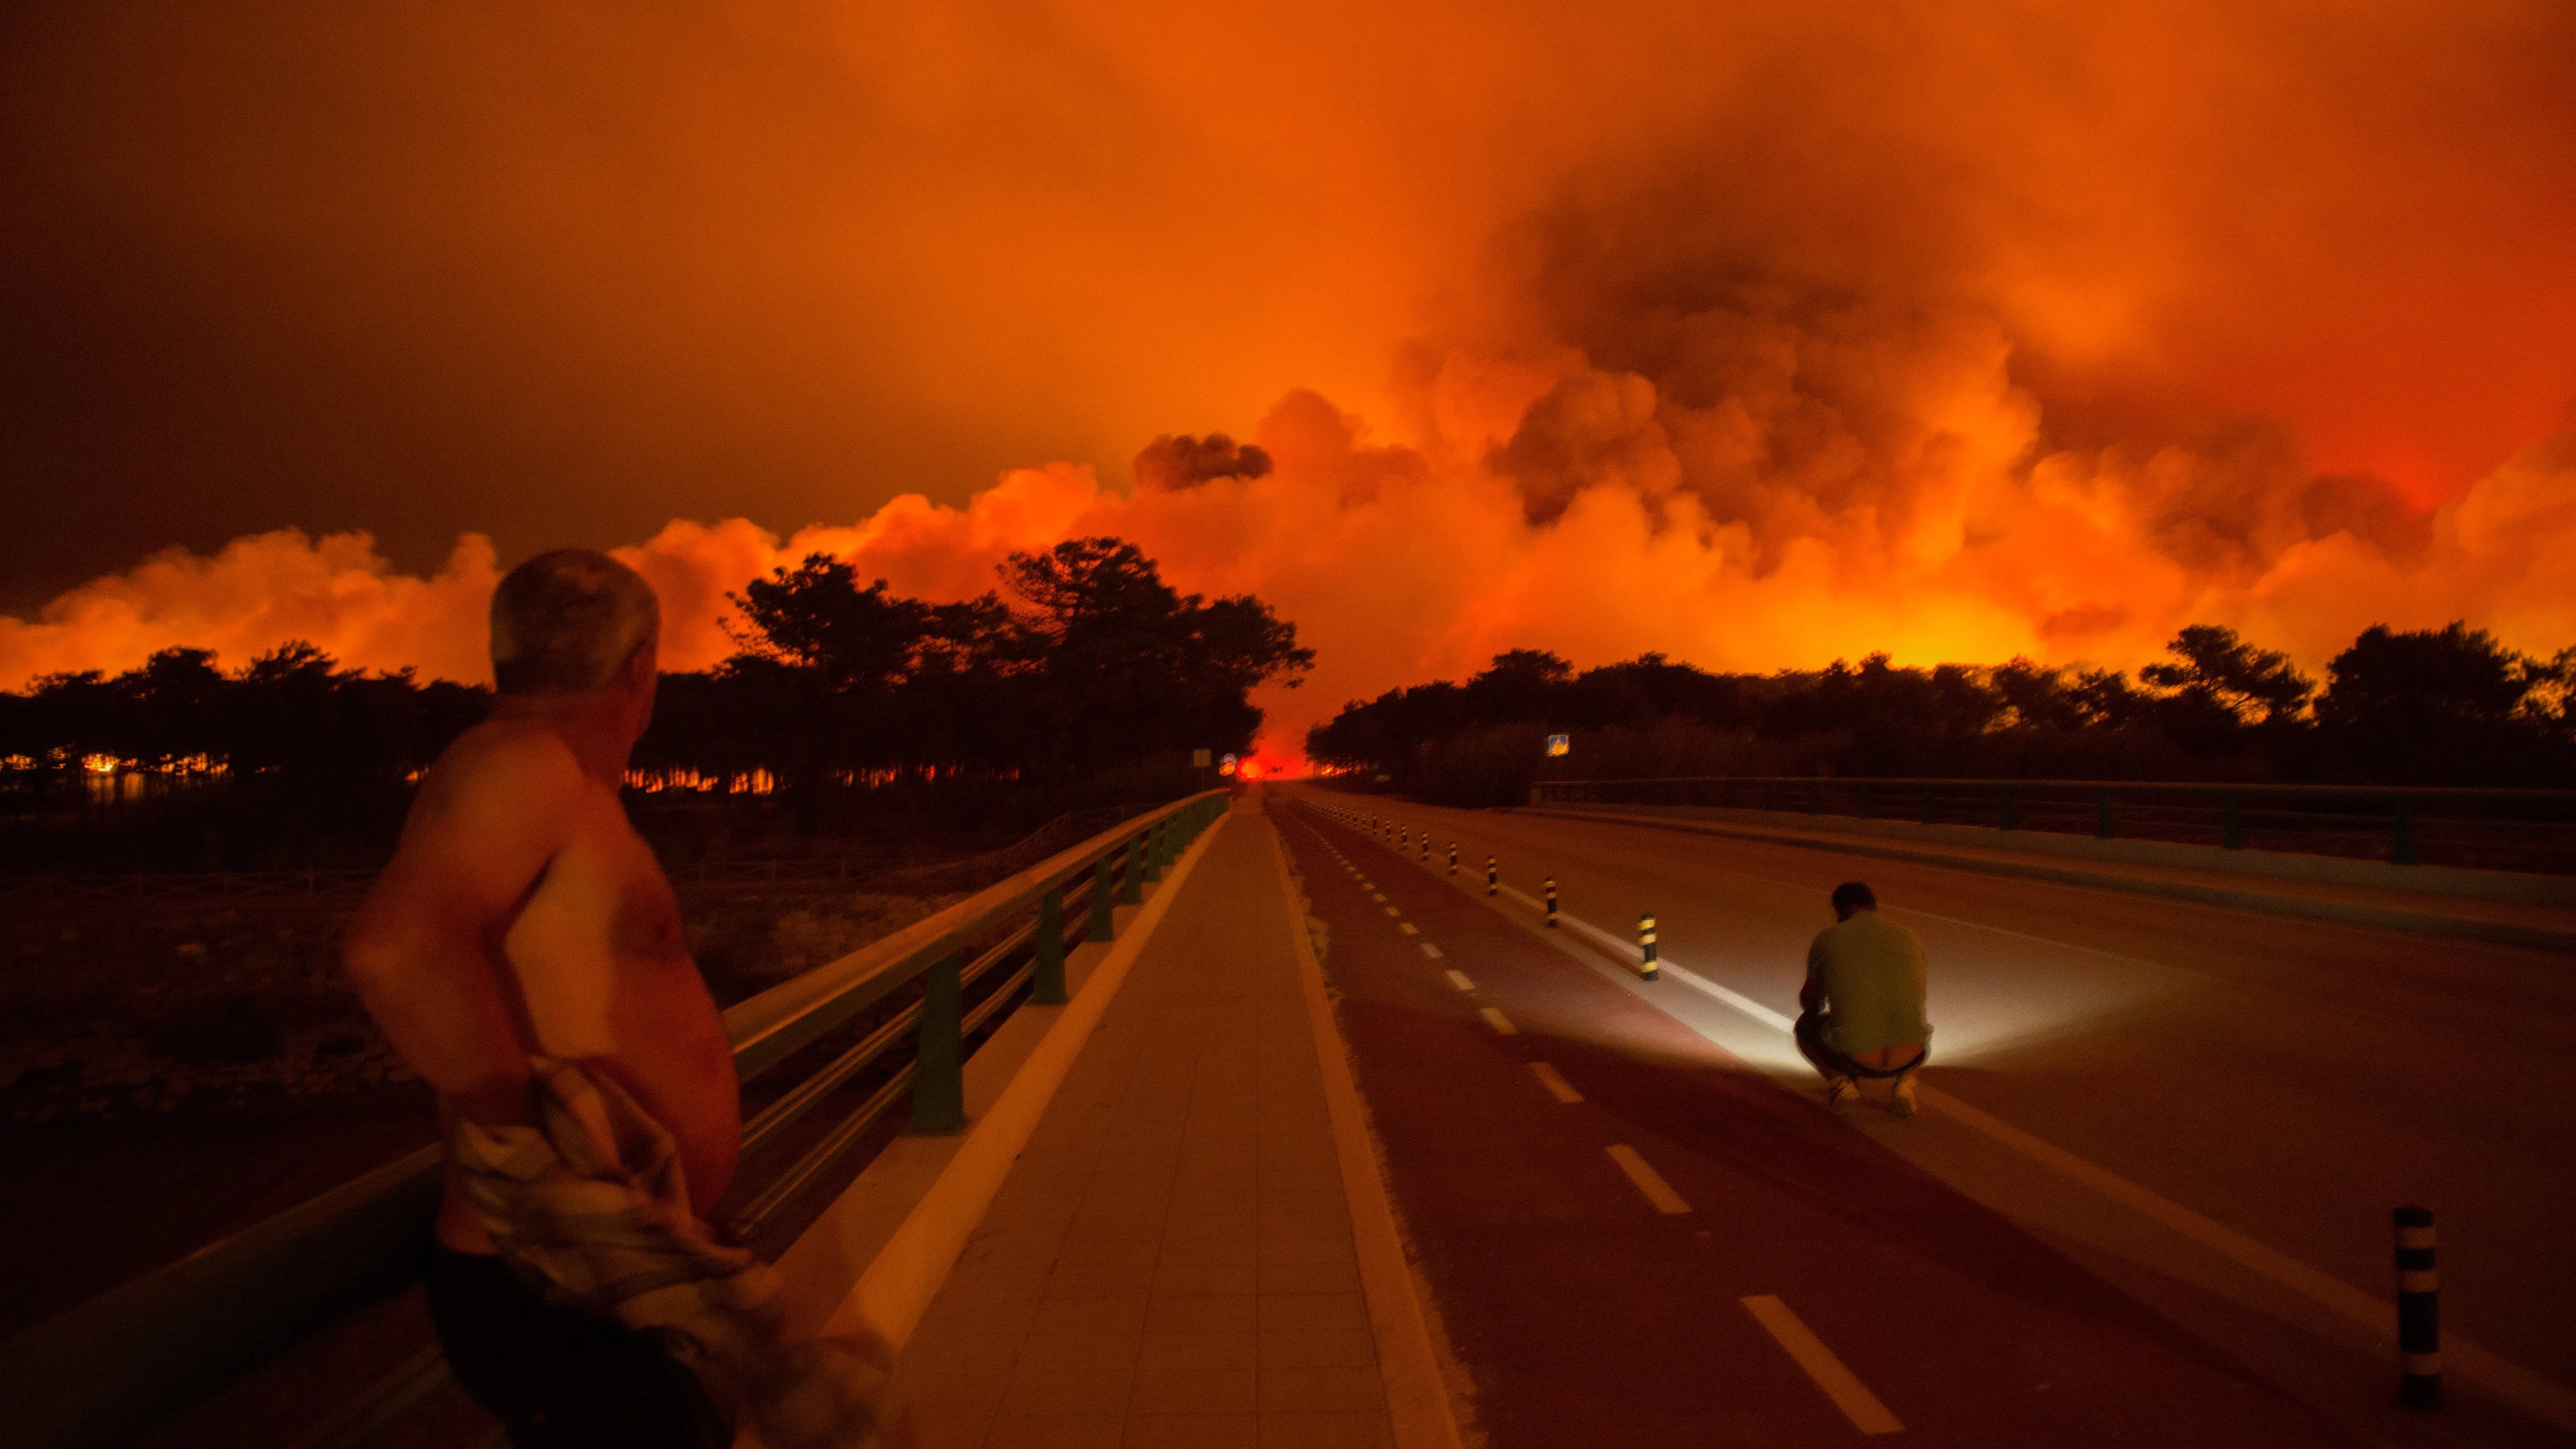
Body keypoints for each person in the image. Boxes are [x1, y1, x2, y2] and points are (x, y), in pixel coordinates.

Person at [346, 550, 891, 1448]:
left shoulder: (546, 777)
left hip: (600, 1268)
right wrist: (525, 1131)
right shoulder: (524, 766)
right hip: (558, 1273)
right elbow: (394, 948)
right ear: (643, 665)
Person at [1794, 881, 1931, 1117]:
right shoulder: (1909, 936)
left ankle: (1841, 1084)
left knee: (1805, 1026)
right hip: (1912, 1054)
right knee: (1913, 1028)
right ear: (1873, 906)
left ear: (1840, 909)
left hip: (1855, 1058)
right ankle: (1906, 1084)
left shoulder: (1828, 939)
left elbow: (1811, 1005)